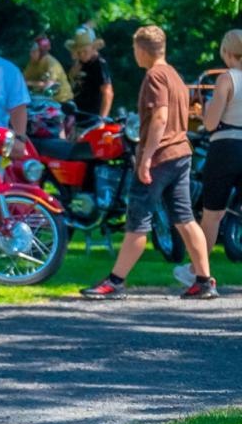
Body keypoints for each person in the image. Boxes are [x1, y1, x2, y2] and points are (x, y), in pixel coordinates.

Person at [82, 25, 216, 299]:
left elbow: (160, 118)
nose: (135, 55)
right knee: (185, 219)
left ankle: (115, 282)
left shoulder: (155, 76)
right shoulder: (175, 76)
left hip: (160, 156)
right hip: (181, 153)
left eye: (135, 50)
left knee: (138, 219)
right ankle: (204, 281)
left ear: (142, 50)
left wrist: (145, 159)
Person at [175, 29, 242, 287]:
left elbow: (212, 123)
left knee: (212, 214)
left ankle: (197, 270)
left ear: (226, 52)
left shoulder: (227, 79)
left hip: (226, 148)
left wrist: (204, 112)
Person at [66, 28, 113, 119]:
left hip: (93, 116)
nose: (82, 55)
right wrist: (72, 74)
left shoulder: (99, 64)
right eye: (79, 52)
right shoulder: (79, 64)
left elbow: (108, 93)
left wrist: (102, 119)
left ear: (93, 48)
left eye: (85, 51)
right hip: (77, 113)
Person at [24, 34, 74, 103]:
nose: (30, 54)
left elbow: (50, 86)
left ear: (42, 52)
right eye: (31, 51)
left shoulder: (51, 63)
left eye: (34, 51)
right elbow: (24, 79)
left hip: (62, 102)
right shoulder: (32, 63)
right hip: (46, 101)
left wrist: (30, 83)